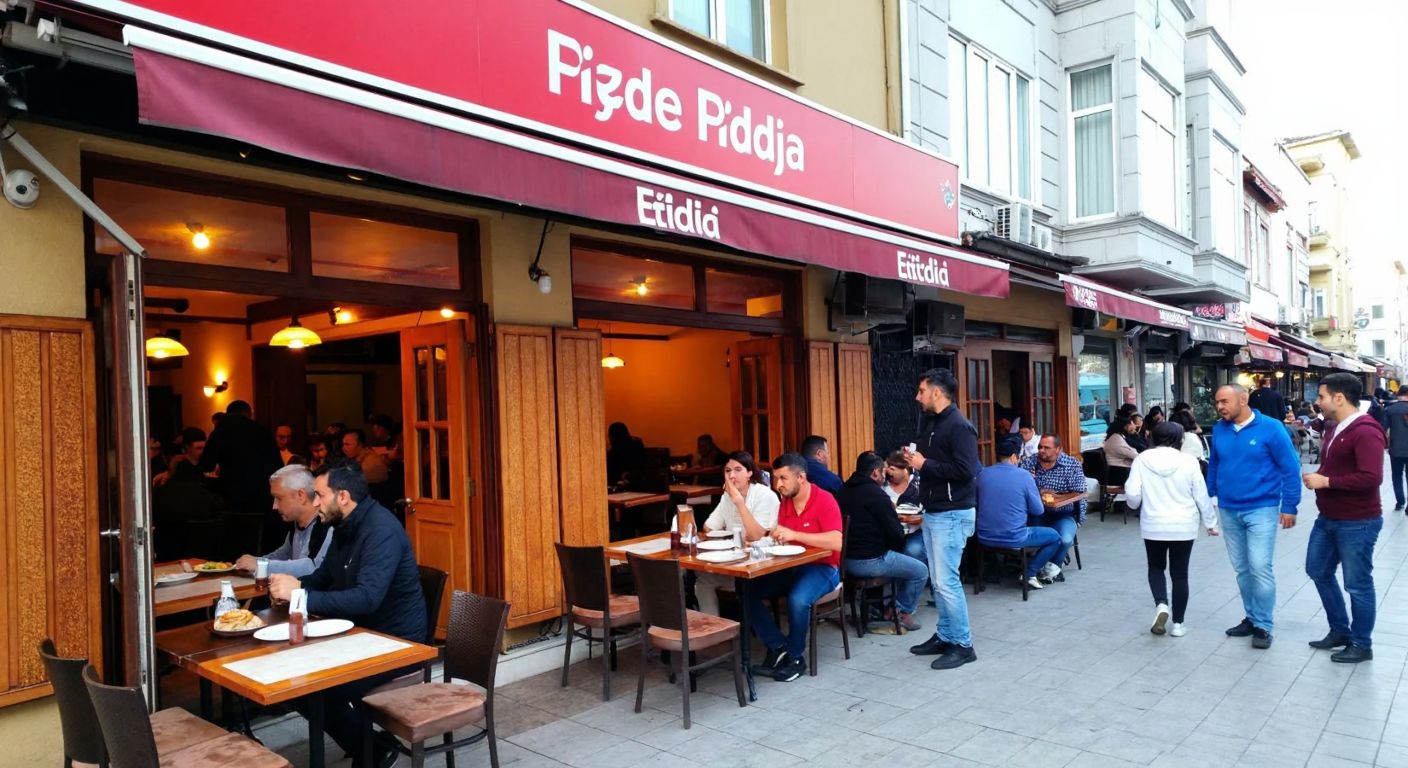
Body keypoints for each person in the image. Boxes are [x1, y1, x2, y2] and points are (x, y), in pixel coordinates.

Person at [269, 463, 426, 768]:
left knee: (315, 690)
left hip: (396, 643)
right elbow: (322, 578)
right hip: (361, 636)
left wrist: (300, 594)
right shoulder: (342, 526)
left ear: (342, 496)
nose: (315, 502)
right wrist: (292, 589)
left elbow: (367, 599)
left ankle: (371, 751)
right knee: (294, 684)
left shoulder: (381, 531)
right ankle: (373, 748)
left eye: (320, 495)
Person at [1206, 383, 1302, 649]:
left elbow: (1290, 467)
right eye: (1217, 402)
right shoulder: (1220, 429)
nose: (1219, 407)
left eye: (1224, 401)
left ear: (1243, 399)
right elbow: (1215, 464)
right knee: (1242, 569)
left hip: (1262, 507)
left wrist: (1290, 506)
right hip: (1228, 508)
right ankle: (1251, 617)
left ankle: (1263, 625)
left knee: (1259, 566)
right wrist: (1209, 497)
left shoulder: (1271, 428)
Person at [1301, 373, 1386, 663]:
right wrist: (1321, 477)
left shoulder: (1366, 430)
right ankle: (1340, 630)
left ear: (1339, 398)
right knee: (1317, 570)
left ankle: (1362, 644)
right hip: (1329, 517)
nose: (1318, 402)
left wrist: (1327, 482)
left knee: (1357, 584)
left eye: (1321, 396)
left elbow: (1372, 477)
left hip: (1358, 521)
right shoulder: (1335, 427)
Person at [906, 368, 981, 671]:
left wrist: (925, 464)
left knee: (947, 582)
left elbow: (966, 470)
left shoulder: (960, 426)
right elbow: (933, 462)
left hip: (952, 512)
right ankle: (946, 635)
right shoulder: (933, 422)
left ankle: (963, 645)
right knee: (938, 583)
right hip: (934, 511)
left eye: (922, 390)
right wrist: (914, 460)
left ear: (936, 392)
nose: (918, 396)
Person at [744, 453, 841, 682]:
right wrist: (766, 540)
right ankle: (778, 647)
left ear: (801, 477)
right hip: (792, 566)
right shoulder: (785, 503)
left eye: (783, 478)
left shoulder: (825, 500)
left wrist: (795, 534)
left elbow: (836, 542)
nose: (778, 484)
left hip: (824, 567)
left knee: (798, 599)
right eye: (776, 478)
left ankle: (796, 658)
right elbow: (783, 538)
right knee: (747, 590)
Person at [1125, 422, 1218, 638]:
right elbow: (1201, 495)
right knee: (1180, 574)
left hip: (1153, 524)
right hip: (1184, 525)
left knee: (1156, 567)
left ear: (1153, 436)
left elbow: (1132, 494)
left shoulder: (1142, 459)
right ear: (1179, 439)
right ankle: (1178, 624)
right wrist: (1210, 523)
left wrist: (1135, 504)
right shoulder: (1189, 461)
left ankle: (1161, 604)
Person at [838, 451, 928, 631]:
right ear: (875, 473)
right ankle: (899, 610)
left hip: (843, 561)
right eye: (883, 472)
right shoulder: (877, 495)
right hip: (870, 561)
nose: (885, 476)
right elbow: (896, 534)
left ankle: (877, 607)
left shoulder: (842, 491)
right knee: (921, 571)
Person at [695, 451, 779, 615]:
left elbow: (755, 536)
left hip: (761, 565)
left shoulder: (764, 495)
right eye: (728, 471)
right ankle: (714, 627)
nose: (732, 475)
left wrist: (739, 502)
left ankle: (744, 623)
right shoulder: (728, 496)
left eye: (738, 470)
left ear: (749, 473)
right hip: (734, 562)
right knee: (702, 581)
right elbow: (709, 527)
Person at [198, 400, 285, 556]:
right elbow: (278, 466)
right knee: (259, 542)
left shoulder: (221, 431)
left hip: (233, 498)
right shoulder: (262, 431)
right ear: (249, 414)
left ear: (227, 413)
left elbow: (206, 464)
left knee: (235, 543)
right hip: (262, 497)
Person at [977, 437, 1063, 591]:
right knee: (1055, 537)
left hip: (984, 536)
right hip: (1014, 537)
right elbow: (1038, 510)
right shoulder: (1023, 476)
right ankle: (1029, 573)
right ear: (1013, 457)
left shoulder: (983, 474)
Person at [235, 464, 332, 578]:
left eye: (279, 498)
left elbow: (313, 567)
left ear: (301, 495)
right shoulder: (297, 524)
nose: (274, 506)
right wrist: (253, 563)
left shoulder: (327, 526)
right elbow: (283, 555)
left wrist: (260, 565)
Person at [1018, 434, 1087, 583]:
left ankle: (1051, 567)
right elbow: (1018, 488)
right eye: (1040, 447)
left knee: (1065, 539)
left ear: (1058, 449)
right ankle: (1038, 567)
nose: (1041, 450)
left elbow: (1079, 492)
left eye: (1046, 448)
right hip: (1037, 513)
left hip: (1064, 513)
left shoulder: (1071, 464)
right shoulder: (1029, 462)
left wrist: (1057, 497)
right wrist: (1036, 490)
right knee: (1031, 540)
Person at [883, 451, 926, 565]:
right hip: (890, 532)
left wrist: (916, 519)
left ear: (905, 470)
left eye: (892, 469)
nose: (888, 472)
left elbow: (927, 513)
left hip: (915, 531)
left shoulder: (919, 485)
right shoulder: (883, 486)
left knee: (913, 550)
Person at [1386, 386, 1408, 512]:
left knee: (1396, 476)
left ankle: (1400, 502)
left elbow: (1383, 428)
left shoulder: (1390, 409)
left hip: (1395, 449)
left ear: (1398, 394)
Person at [606, 422, 649, 487]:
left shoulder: (614, 452)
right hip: (641, 483)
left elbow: (611, 474)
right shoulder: (637, 445)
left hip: (621, 484)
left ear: (612, 436)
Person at [1103, 416, 1140, 485]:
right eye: (1132, 424)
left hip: (1118, 472)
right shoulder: (1116, 439)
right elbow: (1135, 455)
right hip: (1121, 474)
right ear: (1126, 426)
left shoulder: (1115, 437)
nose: (1134, 427)